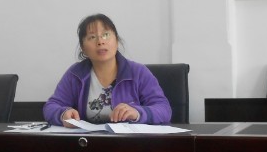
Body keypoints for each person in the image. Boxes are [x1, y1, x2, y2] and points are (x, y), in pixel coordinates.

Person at [43, 13, 172, 127]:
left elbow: (164, 109)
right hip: (89, 142)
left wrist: (138, 113)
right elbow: (51, 106)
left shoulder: (138, 72)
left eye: (105, 35)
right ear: (83, 48)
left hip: (130, 142)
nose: (100, 42)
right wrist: (63, 114)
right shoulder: (75, 74)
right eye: (92, 37)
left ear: (117, 41)